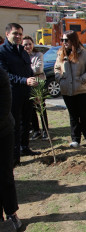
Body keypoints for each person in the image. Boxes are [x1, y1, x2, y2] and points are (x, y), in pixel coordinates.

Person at [0, 23, 40, 167]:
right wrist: (24, 80)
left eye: (20, 34)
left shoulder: (22, 51)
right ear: (7, 34)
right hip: (12, 94)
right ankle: (14, 157)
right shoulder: (2, 52)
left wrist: (34, 89)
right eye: (15, 34)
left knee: (26, 123)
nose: (18, 36)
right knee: (15, 125)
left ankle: (25, 147)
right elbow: (5, 75)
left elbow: (29, 70)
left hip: (26, 93)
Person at [54, 30, 86, 148]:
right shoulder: (61, 54)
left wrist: (82, 80)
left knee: (83, 116)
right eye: (62, 40)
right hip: (67, 91)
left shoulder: (84, 54)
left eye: (66, 40)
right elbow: (57, 68)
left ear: (73, 40)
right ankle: (75, 140)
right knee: (73, 116)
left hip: (82, 91)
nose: (64, 42)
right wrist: (60, 79)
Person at [0, 67, 22, 231]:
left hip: (3, 133)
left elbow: (4, 108)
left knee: (5, 174)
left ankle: (11, 213)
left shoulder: (1, 74)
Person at [22, 36, 49, 141]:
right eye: (25, 44)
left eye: (30, 44)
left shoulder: (38, 55)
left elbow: (38, 68)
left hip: (39, 83)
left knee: (41, 107)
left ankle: (45, 131)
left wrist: (25, 70)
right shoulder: (21, 56)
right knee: (31, 109)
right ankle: (36, 130)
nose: (28, 46)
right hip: (28, 84)